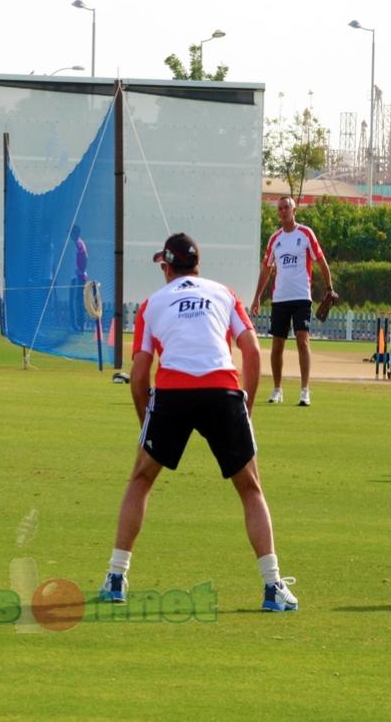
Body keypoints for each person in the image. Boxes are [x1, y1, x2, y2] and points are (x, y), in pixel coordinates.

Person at [99, 232, 298, 612]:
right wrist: (246, 409)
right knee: (250, 488)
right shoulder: (223, 293)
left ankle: (116, 577)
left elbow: (140, 375)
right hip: (222, 389)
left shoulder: (151, 304)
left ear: (166, 266)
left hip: (173, 393)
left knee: (141, 480)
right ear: (197, 265)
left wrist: (147, 424)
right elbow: (252, 352)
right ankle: (272, 586)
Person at [249, 196, 333, 407]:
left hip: (302, 296)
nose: (284, 211)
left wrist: (329, 287)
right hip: (280, 298)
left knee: (302, 341)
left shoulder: (305, 234)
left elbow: (320, 260)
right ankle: (277, 389)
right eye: (280, 208)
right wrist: (257, 296)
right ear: (278, 213)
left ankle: (305, 391)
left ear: (294, 210)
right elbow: (267, 269)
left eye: (287, 207)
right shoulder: (275, 239)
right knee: (277, 345)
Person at [70, 225, 88, 332]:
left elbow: (85, 258)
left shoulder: (79, 244)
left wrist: (81, 270)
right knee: (75, 301)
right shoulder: (74, 244)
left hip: (78, 277)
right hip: (74, 277)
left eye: (72, 233)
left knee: (77, 301)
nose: (71, 235)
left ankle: (79, 325)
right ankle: (75, 325)